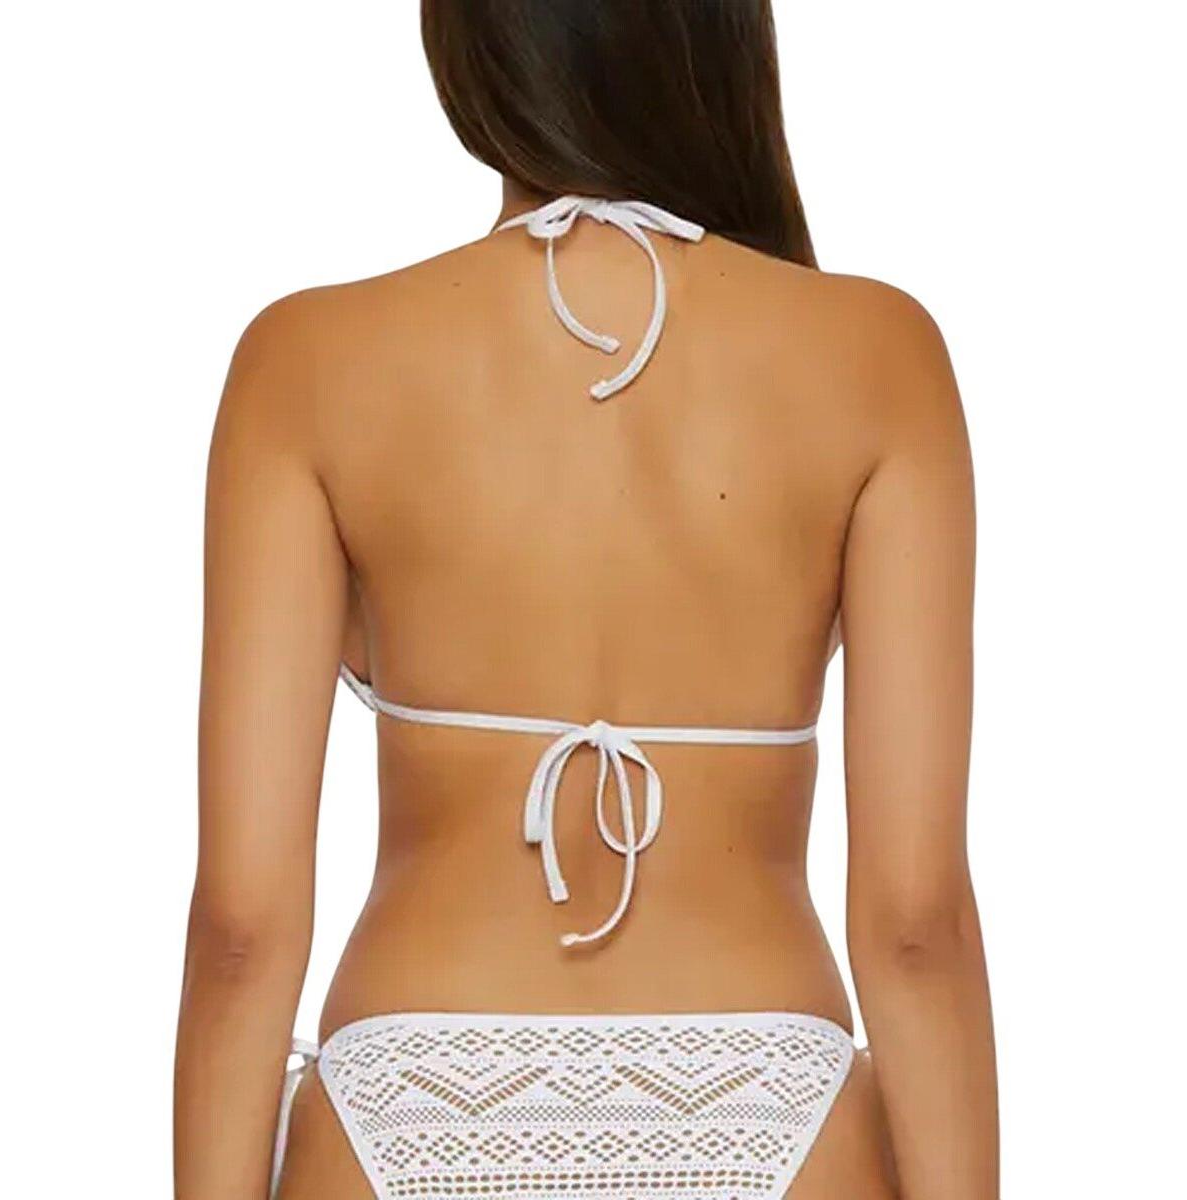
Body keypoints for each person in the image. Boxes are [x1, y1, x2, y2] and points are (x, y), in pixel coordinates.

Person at [173, 3, 998, 1198]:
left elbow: (242, 925)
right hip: (764, 1088)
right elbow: (916, 921)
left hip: (412, 1089)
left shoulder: (307, 360)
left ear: (471, 48)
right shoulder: (879, 354)